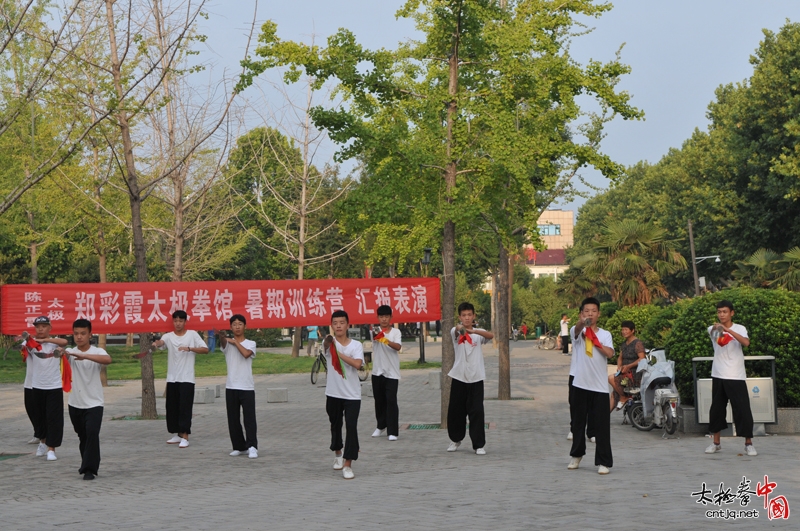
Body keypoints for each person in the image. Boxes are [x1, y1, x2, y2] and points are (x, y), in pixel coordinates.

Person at [567, 297, 615, 475]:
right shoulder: (577, 331)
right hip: (580, 384)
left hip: (600, 387)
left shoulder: (605, 334)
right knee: (578, 423)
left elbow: (609, 353)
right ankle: (576, 455)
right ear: (581, 314)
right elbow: (577, 330)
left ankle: (603, 462)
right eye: (586, 311)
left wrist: (596, 342)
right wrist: (582, 324)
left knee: (602, 426)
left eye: (593, 311)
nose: (590, 314)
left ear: (599, 314)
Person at [705, 300, 757, 456]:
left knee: (742, 410)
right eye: (719, 312)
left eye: (725, 312)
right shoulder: (712, 328)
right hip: (719, 375)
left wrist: (728, 329)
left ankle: (748, 444)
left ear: (731, 313)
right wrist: (720, 329)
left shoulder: (740, 328)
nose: (722, 314)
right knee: (717, 410)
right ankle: (716, 443)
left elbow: (746, 342)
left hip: (736, 375)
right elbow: (720, 341)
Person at [153, 310, 209, 448]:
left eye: (180, 321)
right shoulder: (168, 336)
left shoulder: (192, 334)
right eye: (175, 321)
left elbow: (205, 349)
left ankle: (185, 436)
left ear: (185, 322)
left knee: (185, 407)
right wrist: (156, 343)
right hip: (172, 378)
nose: (178, 323)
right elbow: (161, 343)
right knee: (172, 407)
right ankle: (178, 435)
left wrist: (189, 348)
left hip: (187, 378)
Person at [64, 318, 111, 480]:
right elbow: (62, 353)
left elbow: (108, 360)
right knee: (83, 436)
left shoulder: (98, 352)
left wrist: (85, 357)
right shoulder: (70, 351)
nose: (79, 337)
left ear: (90, 334)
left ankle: (89, 469)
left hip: (94, 404)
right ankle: (87, 462)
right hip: (75, 403)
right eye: (76, 333)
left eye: (83, 333)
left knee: (92, 433)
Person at [446, 302, 494, 455]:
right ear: (460, 317)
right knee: (456, 411)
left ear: (473, 316)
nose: (466, 318)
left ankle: (478, 444)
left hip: (476, 377)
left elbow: (491, 336)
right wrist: (462, 329)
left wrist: (474, 331)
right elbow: (457, 329)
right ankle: (455, 439)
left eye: (469, 315)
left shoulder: (478, 333)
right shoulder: (456, 330)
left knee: (477, 411)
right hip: (459, 376)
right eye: (464, 315)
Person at [323, 310, 364, 479]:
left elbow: (357, 364)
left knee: (352, 426)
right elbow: (326, 343)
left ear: (348, 325)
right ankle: (338, 453)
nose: (338, 326)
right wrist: (329, 342)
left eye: (342, 322)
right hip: (333, 393)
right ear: (331, 325)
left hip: (352, 394)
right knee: (335, 425)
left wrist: (338, 354)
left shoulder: (356, 345)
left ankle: (348, 463)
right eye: (335, 323)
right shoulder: (329, 343)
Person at [27, 316, 68, 461]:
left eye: (44, 326)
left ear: (50, 328)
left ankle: (52, 449)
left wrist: (45, 340)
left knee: (54, 418)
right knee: (40, 417)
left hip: (54, 386)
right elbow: (22, 344)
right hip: (37, 386)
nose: (40, 329)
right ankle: (43, 443)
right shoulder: (31, 344)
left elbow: (64, 342)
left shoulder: (55, 343)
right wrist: (32, 340)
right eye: (38, 326)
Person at [219, 314, 258, 459]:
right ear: (231, 327)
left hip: (247, 386)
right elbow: (223, 343)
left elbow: (246, 354)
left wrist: (235, 342)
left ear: (245, 326)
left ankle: (252, 446)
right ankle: (239, 446)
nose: (237, 326)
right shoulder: (227, 344)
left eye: (240, 324)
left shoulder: (250, 343)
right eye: (234, 324)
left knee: (249, 418)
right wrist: (222, 336)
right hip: (231, 386)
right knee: (233, 419)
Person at [370, 305, 403, 441]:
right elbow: (373, 337)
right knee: (379, 401)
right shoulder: (374, 331)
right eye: (381, 317)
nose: (384, 319)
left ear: (391, 317)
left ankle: (393, 431)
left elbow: (398, 347)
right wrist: (377, 335)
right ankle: (381, 425)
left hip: (392, 372)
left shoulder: (396, 332)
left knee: (391, 400)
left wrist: (384, 339)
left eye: (386, 316)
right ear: (378, 317)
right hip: (377, 371)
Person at [608, 320, 645, 412]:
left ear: (632, 331)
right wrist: (619, 366)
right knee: (614, 393)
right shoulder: (624, 344)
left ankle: (623, 397)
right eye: (623, 329)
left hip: (634, 374)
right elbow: (620, 357)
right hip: (624, 373)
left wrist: (629, 366)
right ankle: (603, 417)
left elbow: (642, 359)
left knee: (610, 378)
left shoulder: (637, 343)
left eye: (626, 329)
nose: (624, 332)